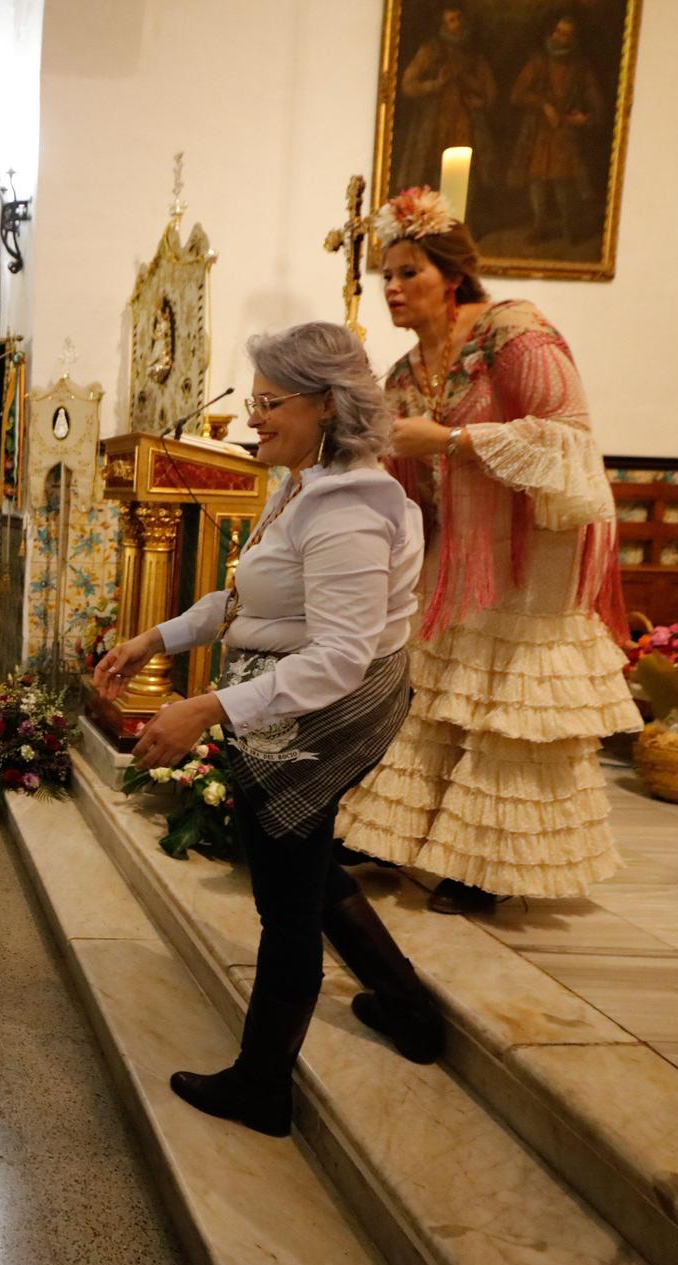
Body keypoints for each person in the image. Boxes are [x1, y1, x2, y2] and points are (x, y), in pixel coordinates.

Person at [96, 322, 442, 1138]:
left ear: (327, 404)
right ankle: (408, 1006)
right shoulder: (307, 483)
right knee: (306, 871)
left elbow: (340, 659)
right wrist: (158, 637)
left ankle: (263, 1086)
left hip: (317, 718)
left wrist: (205, 708)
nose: (253, 418)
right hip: (289, 705)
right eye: (251, 401)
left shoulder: (350, 509)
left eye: (268, 402)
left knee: (286, 904)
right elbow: (253, 603)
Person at [336, 187, 637, 914]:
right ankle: (396, 835)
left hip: (537, 547)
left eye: (410, 272)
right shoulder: (406, 373)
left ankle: (487, 865)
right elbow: (392, 467)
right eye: (387, 276)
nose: (394, 289)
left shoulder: (515, 334)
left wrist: (452, 440)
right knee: (434, 691)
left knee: (508, 708)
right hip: (459, 546)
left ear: (454, 275)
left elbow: (571, 442)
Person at [508, 16, 606, 246]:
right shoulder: (538, 62)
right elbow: (517, 94)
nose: (561, 37)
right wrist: (543, 104)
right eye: (559, 32)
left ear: (574, 38)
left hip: (566, 133)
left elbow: (597, 105)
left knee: (564, 180)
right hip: (538, 132)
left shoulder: (581, 68)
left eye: (567, 34)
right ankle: (539, 225)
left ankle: (569, 226)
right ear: (552, 33)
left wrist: (585, 119)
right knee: (537, 178)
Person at [392, 6, 495, 196]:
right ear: (443, 24)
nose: (457, 24)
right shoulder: (430, 51)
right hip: (435, 122)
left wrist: (476, 95)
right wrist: (436, 84)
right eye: (451, 20)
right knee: (433, 169)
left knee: (467, 171)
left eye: (459, 18)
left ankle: (464, 221)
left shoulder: (474, 55)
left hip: (465, 121)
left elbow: (489, 92)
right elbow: (408, 84)